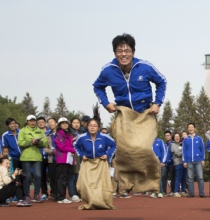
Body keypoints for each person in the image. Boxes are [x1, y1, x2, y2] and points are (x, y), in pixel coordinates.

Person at [93, 33, 167, 196]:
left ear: (133, 52)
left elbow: (162, 81)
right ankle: (125, 184)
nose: (123, 54)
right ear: (114, 53)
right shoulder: (108, 70)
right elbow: (97, 86)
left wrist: (157, 103)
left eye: (127, 50)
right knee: (125, 149)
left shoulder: (145, 67)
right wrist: (106, 103)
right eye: (120, 51)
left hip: (144, 113)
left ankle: (150, 182)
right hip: (124, 114)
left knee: (142, 149)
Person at [74, 110, 117, 210]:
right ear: (87, 127)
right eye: (90, 125)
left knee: (102, 184)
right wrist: (81, 155)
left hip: (101, 163)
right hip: (87, 162)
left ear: (98, 127)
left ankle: (102, 202)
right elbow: (76, 146)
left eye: (95, 126)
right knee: (85, 184)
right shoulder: (82, 137)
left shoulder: (105, 137)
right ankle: (91, 201)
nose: (92, 127)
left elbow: (114, 145)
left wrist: (107, 155)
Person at [17, 115, 47, 203]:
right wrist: (30, 141)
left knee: (38, 175)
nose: (32, 122)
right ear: (27, 121)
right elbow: (20, 143)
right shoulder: (22, 131)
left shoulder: (40, 131)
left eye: (34, 120)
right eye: (30, 121)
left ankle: (36, 195)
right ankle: (26, 195)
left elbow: (44, 143)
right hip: (26, 157)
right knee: (28, 177)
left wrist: (38, 142)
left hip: (37, 157)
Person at [54, 117, 76, 203]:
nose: (65, 125)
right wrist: (72, 150)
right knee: (61, 178)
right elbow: (61, 146)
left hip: (68, 159)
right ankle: (60, 197)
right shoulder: (59, 134)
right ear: (59, 125)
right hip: (62, 159)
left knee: (64, 178)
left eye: (66, 123)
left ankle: (62, 196)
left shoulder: (68, 134)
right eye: (63, 123)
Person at [183, 123, 205, 198]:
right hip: (189, 161)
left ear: (195, 128)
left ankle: (201, 193)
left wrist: (203, 159)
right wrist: (184, 161)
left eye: (192, 127)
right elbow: (184, 151)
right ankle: (191, 193)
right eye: (189, 127)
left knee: (200, 177)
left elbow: (202, 149)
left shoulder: (199, 139)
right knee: (190, 178)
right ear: (187, 129)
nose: (190, 128)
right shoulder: (186, 140)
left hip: (198, 160)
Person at [2, 118, 21, 185]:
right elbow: (5, 148)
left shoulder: (21, 132)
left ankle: (25, 194)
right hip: (13, 158)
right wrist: (7, 158)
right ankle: (17, 194)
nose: (12, 125)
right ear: (8, 125)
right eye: (10, 124)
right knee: (15, 176)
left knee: (23, 175)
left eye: (13, 123)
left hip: (23, 158)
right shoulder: (5, 135)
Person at [43, 118, 57, 201]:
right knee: (52, 177)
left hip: (62, 158)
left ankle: (60, 193)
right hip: (52, 158)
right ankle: (54, 193)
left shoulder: (62, 133)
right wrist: (50, 151)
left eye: (52, 122)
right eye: (49, 123)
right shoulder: (47, 135)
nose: (50, 124)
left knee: (60, 177)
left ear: (56, 123)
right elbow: (44, 147)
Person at [170, 133, 185, 197]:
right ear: (173, 138)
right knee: (178, 177)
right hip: (178, 163)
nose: (177, 138)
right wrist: (185, 151)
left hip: (184, 163)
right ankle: (176, 191)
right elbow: (178, 154)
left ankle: (183, 191)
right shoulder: (172, 145)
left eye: (178, 136)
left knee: (184, 178)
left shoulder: (182, 144)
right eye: (176, 136)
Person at [160, 130, 174, 196]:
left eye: (168, 135)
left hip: (172, 163)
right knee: (163, 177)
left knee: (172, 177)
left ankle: (172, 191)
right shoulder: (163, 144)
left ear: (171, 136)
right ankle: (163, 191)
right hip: (165, 164)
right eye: (166, 136)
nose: (167, 137)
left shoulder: (173, 143)